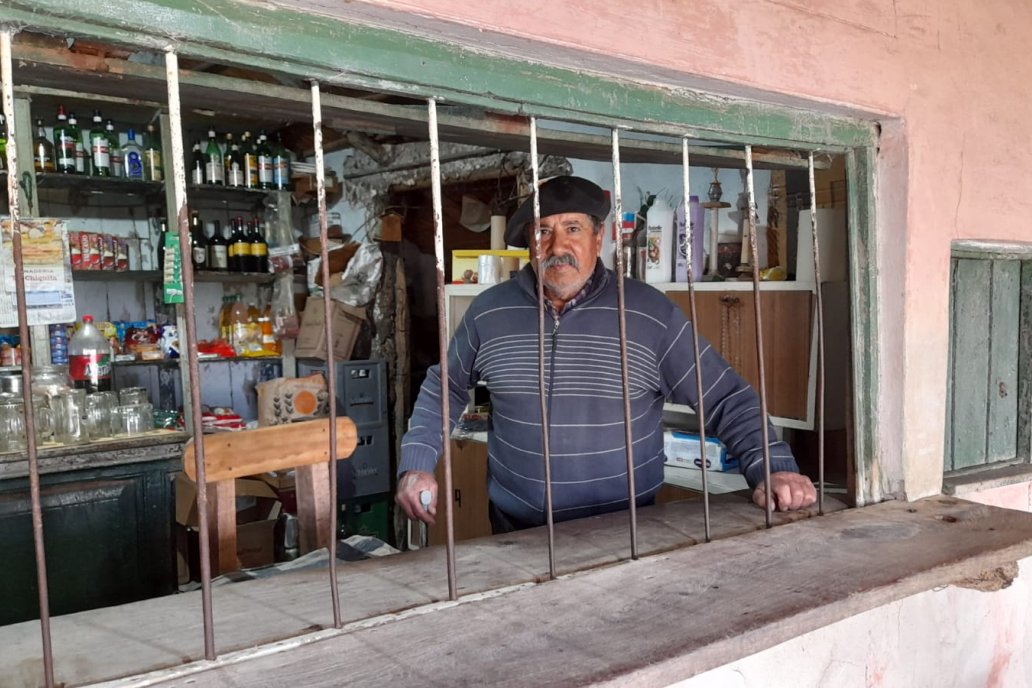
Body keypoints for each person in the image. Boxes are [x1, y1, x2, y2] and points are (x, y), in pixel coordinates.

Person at [397, 176, 816, 532]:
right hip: (513, 530)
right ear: (528, 242)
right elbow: (445, 386)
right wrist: (416, 463)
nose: (557, 245)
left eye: (573, 229)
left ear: (600, 237)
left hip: (622, 532)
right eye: (542, 230)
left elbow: (725, 398)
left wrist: (772, 465)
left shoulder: (649, 314)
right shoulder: (489, 312)